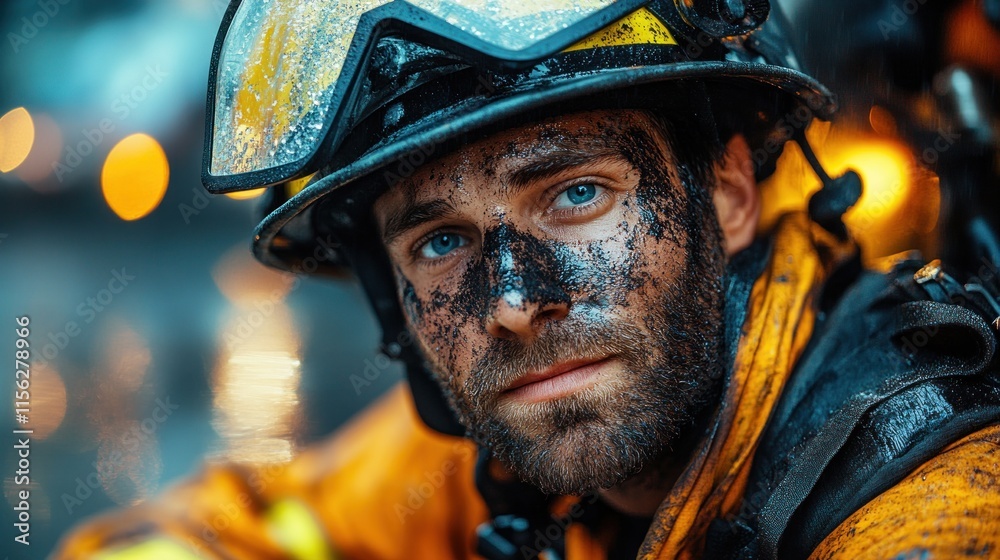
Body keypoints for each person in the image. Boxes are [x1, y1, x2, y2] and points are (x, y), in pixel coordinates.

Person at [55, 1, 1000, 558]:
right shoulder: (514, 452)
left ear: (727, 193)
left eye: (577, 193)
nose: (511, 303)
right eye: (438, 244)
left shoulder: (936, 516)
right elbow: (263, 523)